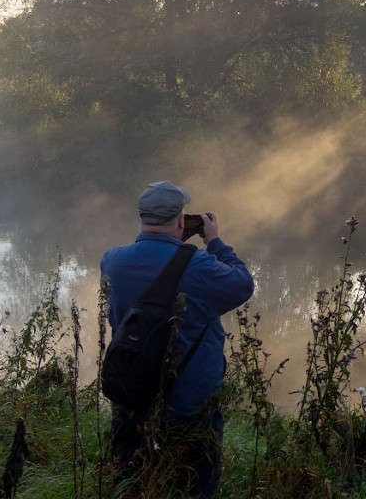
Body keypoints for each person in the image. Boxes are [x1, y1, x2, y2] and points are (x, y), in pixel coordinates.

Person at [101, 180, 254, 497]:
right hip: (189, 406)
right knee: (194, 486)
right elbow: (242, 284)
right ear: (183, 221)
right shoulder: (199, 266)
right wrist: (214, 242)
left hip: (130, 400)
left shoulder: (112, 262)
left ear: (140, 217)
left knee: (132, 483)